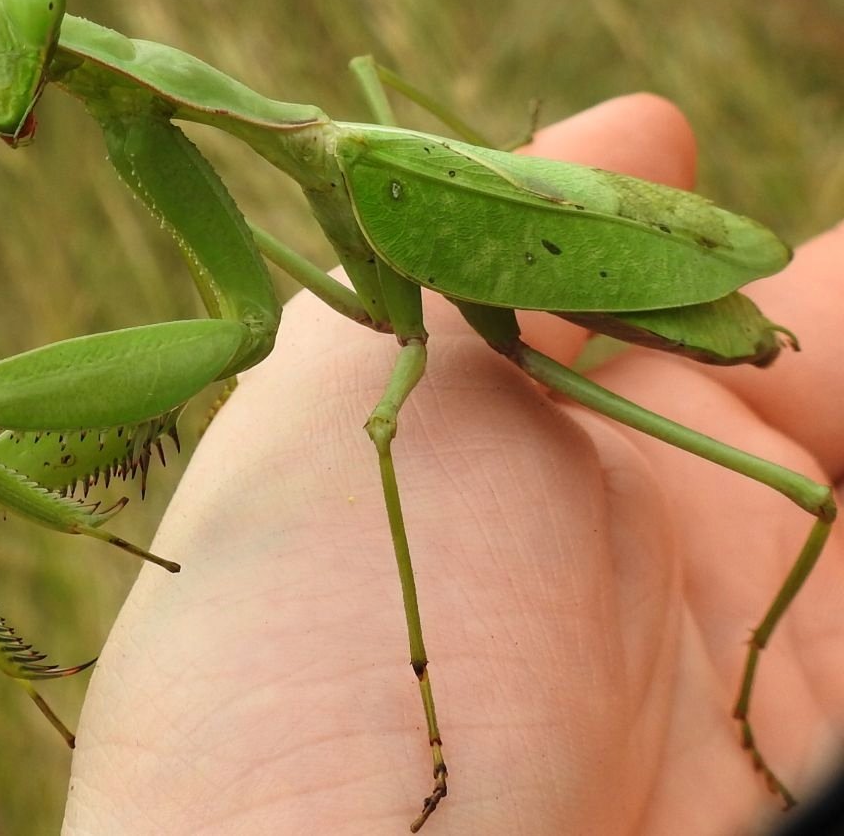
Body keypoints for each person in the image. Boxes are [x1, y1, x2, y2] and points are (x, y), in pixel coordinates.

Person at [63, 94, 844, 835]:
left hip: (658, 293)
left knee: (810, 498)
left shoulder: (349, 166)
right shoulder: (343, 152)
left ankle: (733, 690)